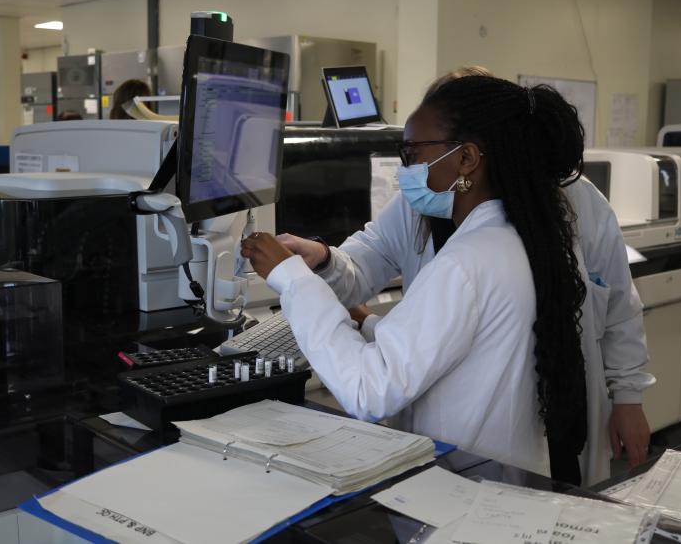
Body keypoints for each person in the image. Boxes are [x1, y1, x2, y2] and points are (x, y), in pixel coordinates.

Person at [243, 75, 590, 484]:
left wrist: (292, 279)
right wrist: (367, 322)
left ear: (467, 159)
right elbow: (457, 347)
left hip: (461, 491)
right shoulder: (515, 239)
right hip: (498, 477)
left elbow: (367, 391)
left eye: (412, 153)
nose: (405, 171)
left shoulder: (465, 262)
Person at [347, 66, 653, 485]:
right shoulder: (420, 204)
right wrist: (323, 264)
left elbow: (618, 305)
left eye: (418, 151)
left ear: (472, 152)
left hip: (558, 408)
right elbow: (368, 258)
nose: (412, 167)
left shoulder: (576, 204)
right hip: (467, 430)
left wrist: (628, 397)